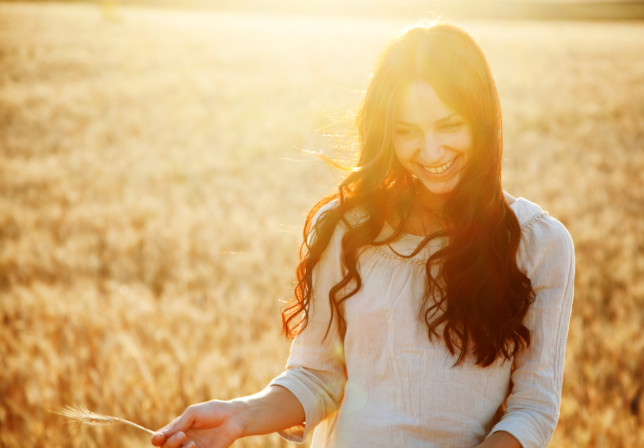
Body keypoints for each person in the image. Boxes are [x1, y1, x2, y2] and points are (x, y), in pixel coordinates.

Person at [150, 22, 574, 448]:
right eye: (407, 131)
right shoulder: (345, 228)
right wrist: (239, 416)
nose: (430, 152)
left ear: (483, 121)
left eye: (449, 125)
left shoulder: (540, 246)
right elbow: (316, 376)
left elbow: (532, 408)